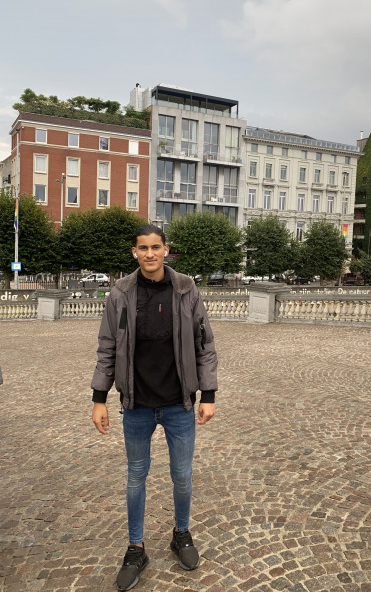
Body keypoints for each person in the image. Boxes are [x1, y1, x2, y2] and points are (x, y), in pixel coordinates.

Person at [91, 224, 218, 591]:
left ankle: (181, 533)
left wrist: (208, 394)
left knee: (182, 475)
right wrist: (99, 398)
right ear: (134, 252)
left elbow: (205, 344)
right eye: (143, 248)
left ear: (166, 250)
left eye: (155, 247)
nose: (149, 254)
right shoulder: (120, 293)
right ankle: (136, 547)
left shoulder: (186, 289)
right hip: (137, 404)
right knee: (136, 476)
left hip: (179, 403)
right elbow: (107, 347)